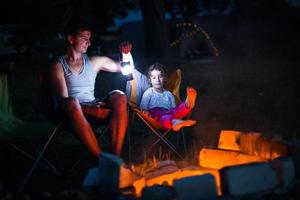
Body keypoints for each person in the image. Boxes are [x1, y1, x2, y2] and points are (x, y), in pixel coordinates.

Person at [50, 23, 128, 158]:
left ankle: (116, 158)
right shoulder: (58, 65)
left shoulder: (94, 61)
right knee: (72, 102)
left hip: (95, 108)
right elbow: (64, 102)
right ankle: (101, 159)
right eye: (84, 38)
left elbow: (125, 69)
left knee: (119, 95)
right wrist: (89, 109)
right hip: (72, 116)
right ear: (71, 39)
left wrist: (125, 54)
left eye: (89, 38)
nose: (89, 42)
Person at [140, 63, 197, 131]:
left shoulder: (169, 94)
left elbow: (173, 109)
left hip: (169, 112)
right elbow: (143, 108)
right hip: (155, 116)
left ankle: (188, 103)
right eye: (154, 77)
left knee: (177, 110)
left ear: (165, 78)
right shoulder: (148, 93)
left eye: (160, 76)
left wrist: (175, 112)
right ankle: (175, 122)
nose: (157, 80)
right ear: (150, 80)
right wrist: (145, 111)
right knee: (165, 117)